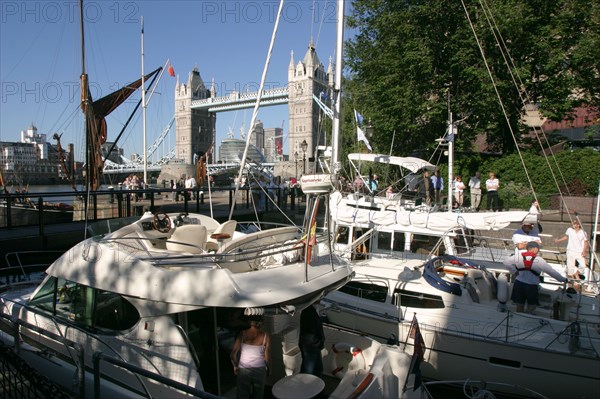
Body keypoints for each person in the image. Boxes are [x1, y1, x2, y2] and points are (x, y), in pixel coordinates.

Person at [503, 241, 567, 314]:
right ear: (534, 249)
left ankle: (520, 316)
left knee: (519, 304)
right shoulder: (539, 260)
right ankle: (527, 314)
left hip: (519, 283)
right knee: (533, 304)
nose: (538, 250)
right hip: (531, 285)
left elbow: (505, 262)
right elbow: (551, 272)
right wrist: (562, 279)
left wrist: (514, 271)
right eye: (538, 248)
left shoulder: (518, 256)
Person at [230, 316, 271, 399]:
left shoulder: (242, 334)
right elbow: (267, 358)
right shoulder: (266, 336)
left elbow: (232, 354)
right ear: (260, 324)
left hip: (243, 369)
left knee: (242, 394)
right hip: (259, 369)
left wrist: (235, 366)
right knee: (258, 395)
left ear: (250, 322)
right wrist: (269, 369)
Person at [299, 305, 325, 379]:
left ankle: (316, 388)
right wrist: (319, 343)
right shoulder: (308, 312)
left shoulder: (310, 310)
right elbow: (308, 334)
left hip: (312, 348)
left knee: (317, 371)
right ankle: (308, 389)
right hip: (311, 349)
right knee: (309, 374)